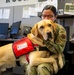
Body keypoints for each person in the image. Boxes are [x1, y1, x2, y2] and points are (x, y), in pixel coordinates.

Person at [27, 5, 67, 75]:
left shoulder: (60, 29)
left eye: (50, 16)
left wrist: (46, 39)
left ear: (55, 17)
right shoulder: (38, 27)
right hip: (41, 56)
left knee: (42, 68)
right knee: (30, 67)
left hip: (55, 56)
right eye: (44, 16)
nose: (46, 18)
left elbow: (59, 50)